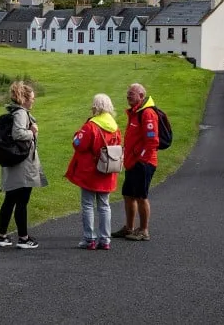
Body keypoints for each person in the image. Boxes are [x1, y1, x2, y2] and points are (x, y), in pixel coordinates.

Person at [0, 80, 48, 249]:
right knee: (22, 201)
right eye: (31, 98)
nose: (33, 100)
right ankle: (24, 238)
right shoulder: (21, 113)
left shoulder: (14, 111)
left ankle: (2, 236)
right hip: (22, 165)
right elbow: (18, 133)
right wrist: (32, 132)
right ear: (24, 98)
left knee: (10, 199)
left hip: (14, 162)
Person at [65, 93, 122, 250]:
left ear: (95, 106)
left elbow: (79, 145)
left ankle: (89, 238)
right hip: (107, 170)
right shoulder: (115, 126)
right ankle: (105, 239)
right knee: (105, 205)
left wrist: (77, 135)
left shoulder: (91, 126)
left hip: (90, 170)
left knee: (88, 205)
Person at [113, 83, 158, 242]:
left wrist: (141, 159)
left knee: (140, 196)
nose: (128, 96)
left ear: (141, 95)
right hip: (133, 162)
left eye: (131, 93)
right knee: (128, 194)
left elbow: (152, 140)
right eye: (128, 93)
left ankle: (144, 230)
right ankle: (129, 228)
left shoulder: (147, 113)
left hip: (143, 163)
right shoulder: (135, 113)